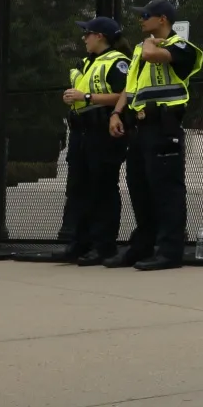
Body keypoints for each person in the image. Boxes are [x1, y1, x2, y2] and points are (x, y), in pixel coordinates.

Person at [106, 0, 203, 271]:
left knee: (166, 191)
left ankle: (170, 251)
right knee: (140, 189)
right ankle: (142, 246)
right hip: (139, 129)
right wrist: (116, 113)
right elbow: (130, 87)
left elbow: (152, 55)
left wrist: (151, 43)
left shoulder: (180, 47)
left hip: (164, 127)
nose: (141, 20)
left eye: (146, 16)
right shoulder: (140, 50)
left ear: (163, 19)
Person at [58, 17, 131, 265]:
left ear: (100, 35)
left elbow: (125, 94)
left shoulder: (118, 62)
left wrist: (86, 96)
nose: (83, 38)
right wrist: (73, 97)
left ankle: (103, 246)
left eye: (87, 33)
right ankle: (79, 243)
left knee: (102, 188)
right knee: (79, 188)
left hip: (102, 130)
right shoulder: (88, 62)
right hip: (81, 132)